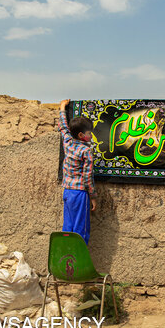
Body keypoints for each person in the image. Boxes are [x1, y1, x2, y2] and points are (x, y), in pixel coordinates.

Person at [58, 99, 97, 244]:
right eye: (89, 133)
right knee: (81, 229)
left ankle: (66, 258)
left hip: (68, 191)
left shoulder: (67, 141)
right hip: (80, 193)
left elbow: (63, 127)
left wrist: (62, 108)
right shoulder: (86, 151)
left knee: (68, 227)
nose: (91, 135)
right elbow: (88, 177)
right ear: (81, 135)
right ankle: (77, 262)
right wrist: (93, 197)